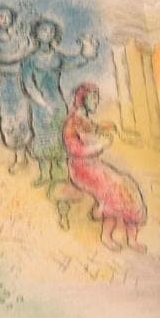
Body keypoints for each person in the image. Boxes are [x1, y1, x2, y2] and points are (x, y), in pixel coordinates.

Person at [64, 83, 147, 252]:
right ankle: (106, 236)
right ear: (83, 100)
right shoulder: (72, 123)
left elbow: (93, 128)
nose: (97, 101)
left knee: (129, 187)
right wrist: (100, 145)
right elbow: (75, 150)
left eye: (97, 98)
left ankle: (132, 240)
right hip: (81, 169)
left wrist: (107, 128)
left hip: (93, 165)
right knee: (116, 190)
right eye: (93, 98)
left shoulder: (84, 119)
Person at [21, 18, 95, 188]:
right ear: (36, 33)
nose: (47, 33)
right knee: (42, 138)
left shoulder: (57, 57)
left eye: (50, 30)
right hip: (40, 106)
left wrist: (86, 51)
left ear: (55, 35)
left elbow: (74, 62)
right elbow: (28, 83)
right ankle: (44, 175)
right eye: (43, 30)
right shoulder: (30, 60)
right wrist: (41, 102)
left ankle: (61, 174)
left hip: (58, 103)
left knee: (60, 137)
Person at [0, 6, 34, 174]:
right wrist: (24, 52)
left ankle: (29, 153)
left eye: (7, 16)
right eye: (0, 16)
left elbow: (29, 50)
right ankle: (20, 159)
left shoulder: (18, 38)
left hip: (22, 82)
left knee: (25, 117)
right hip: (7, 85)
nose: (4, 19)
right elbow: (3, 58)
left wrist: (28, 47)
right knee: (11, 121)